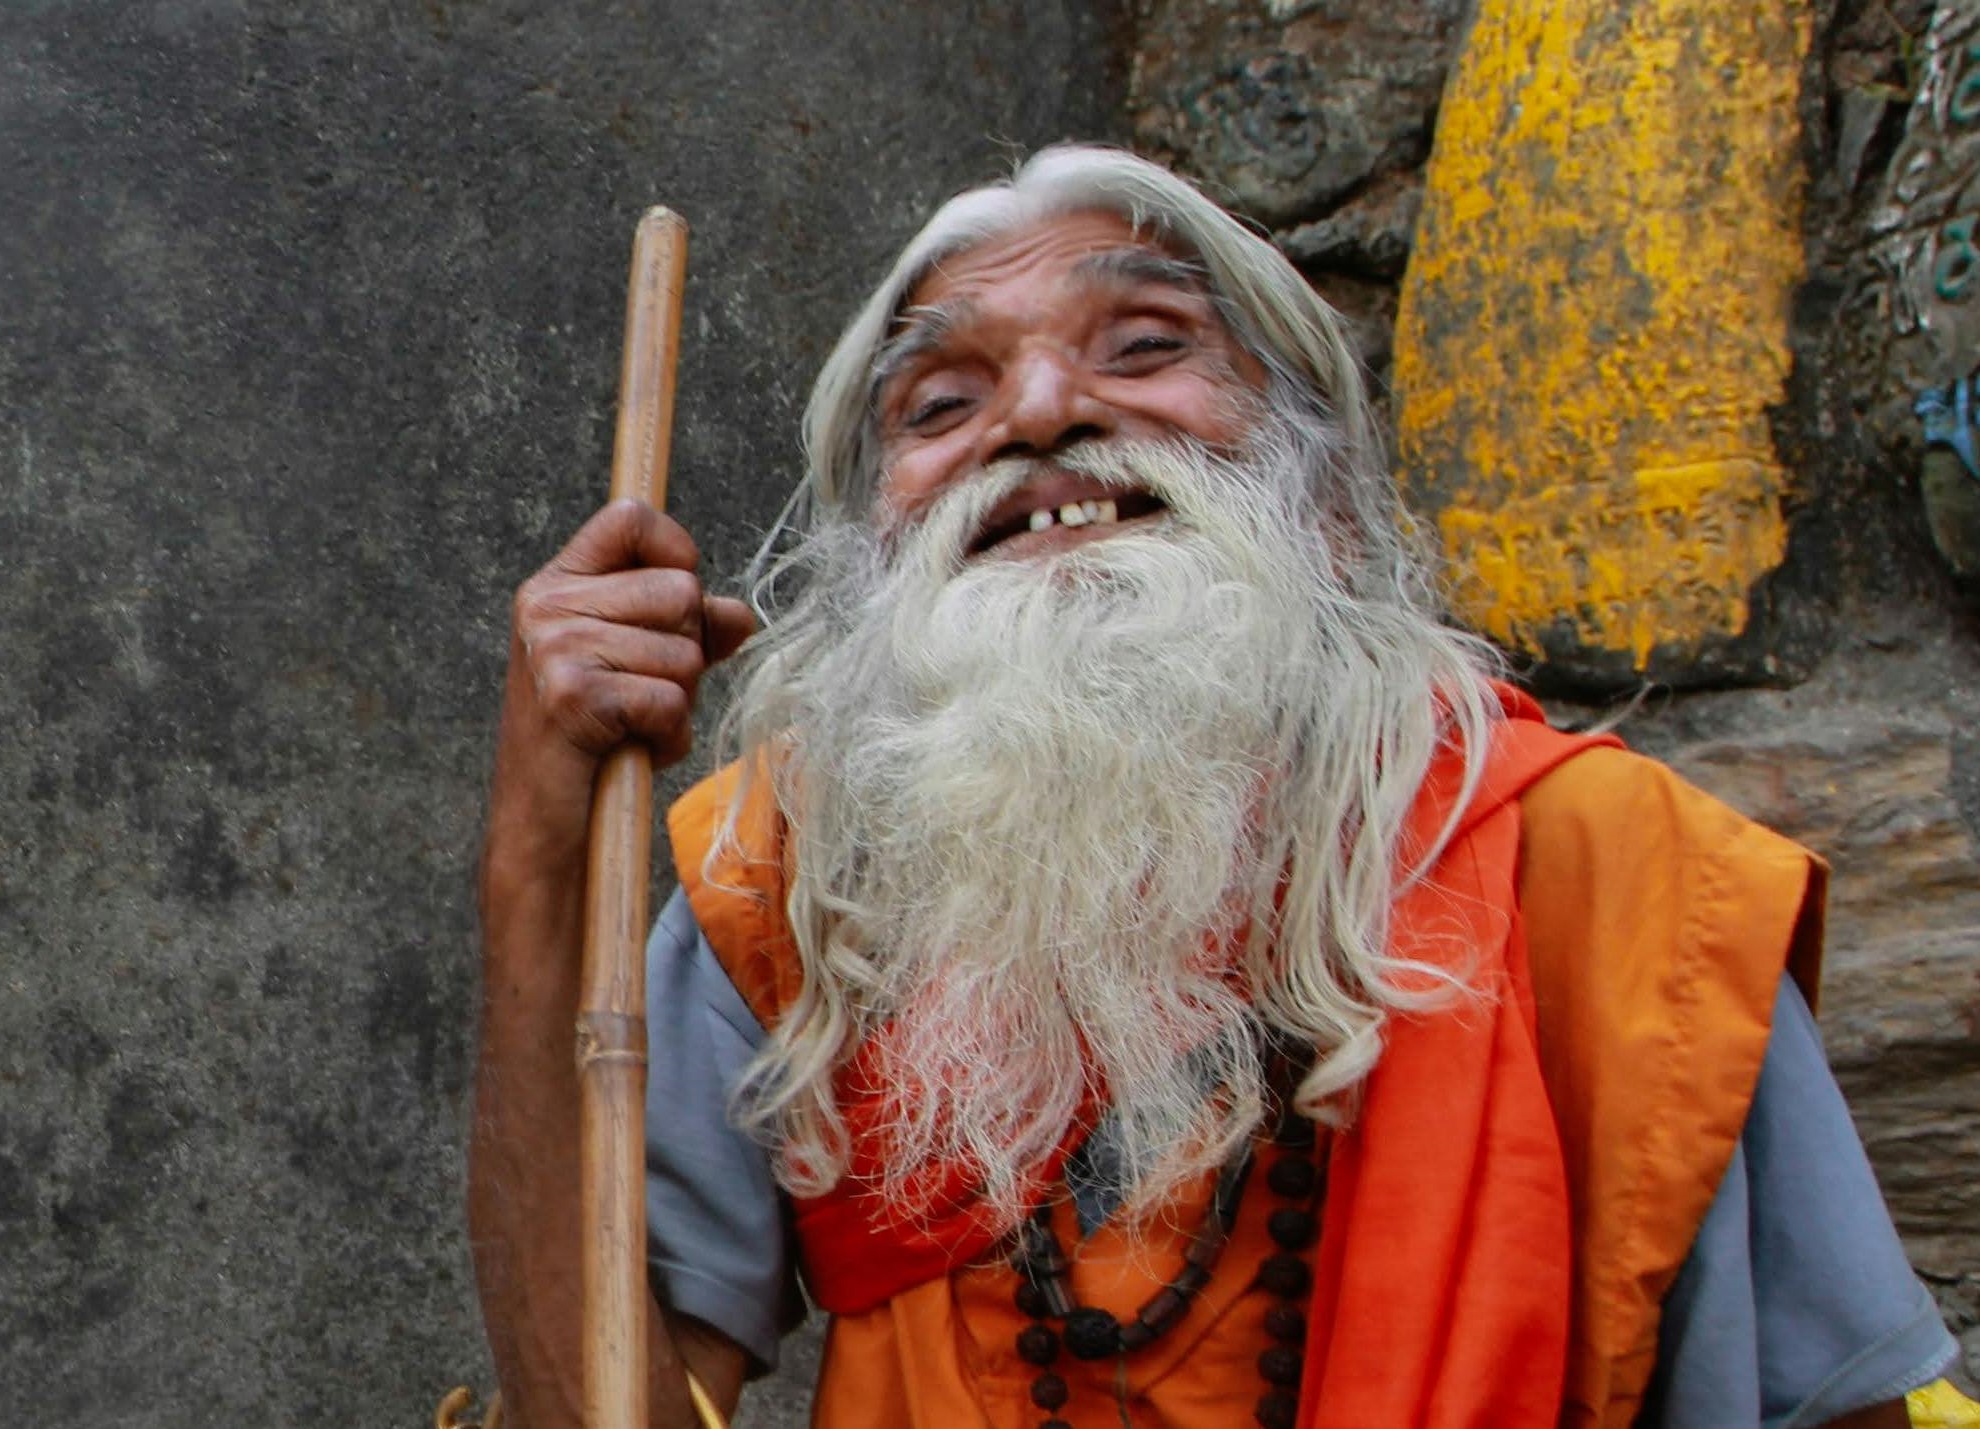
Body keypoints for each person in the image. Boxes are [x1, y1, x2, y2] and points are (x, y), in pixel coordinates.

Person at [468, 147, 1963, 1429]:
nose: (1044, 410)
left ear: (1324, 494)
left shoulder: (1604, 880)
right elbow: (606, 1397)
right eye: (941, 401)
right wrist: (536, 854)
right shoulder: (802, 890)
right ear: (871, 562)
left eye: (1143, 345)